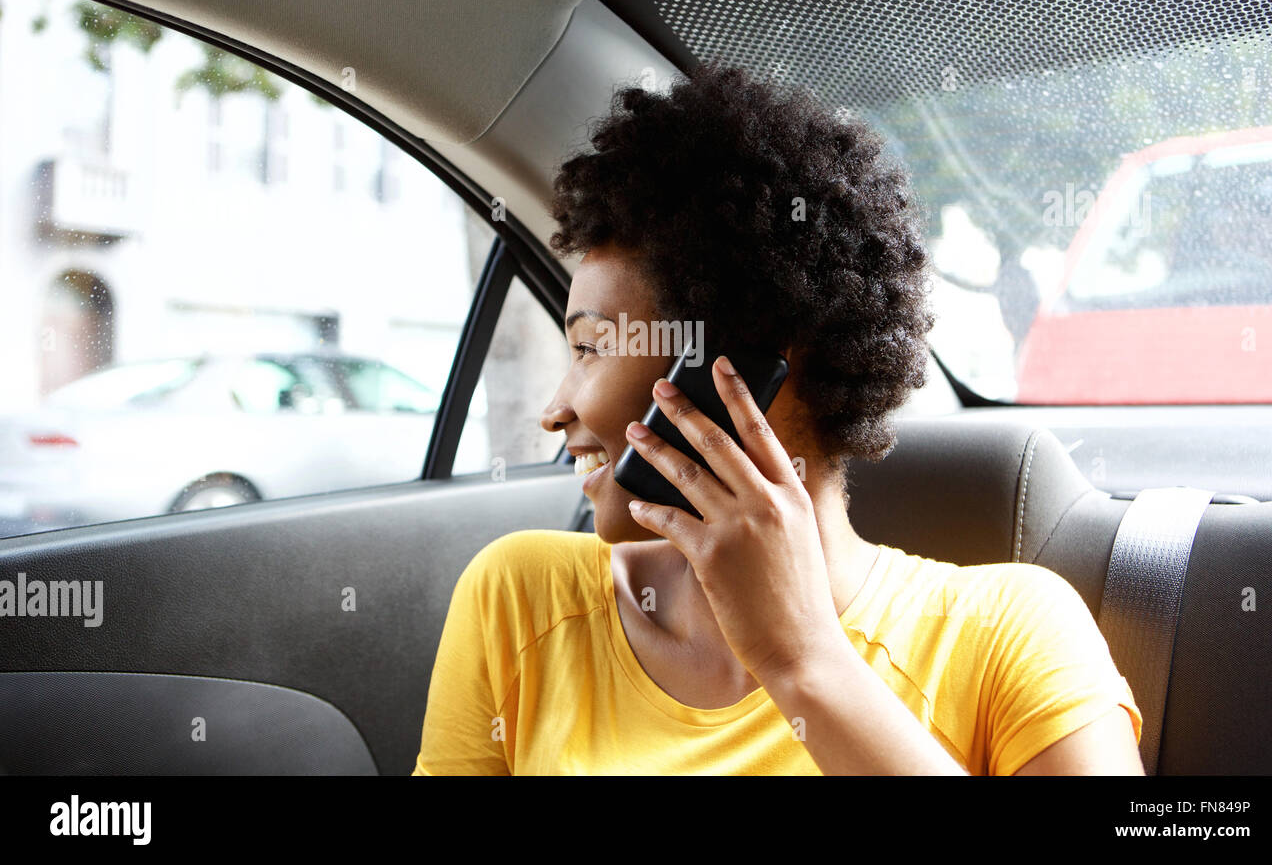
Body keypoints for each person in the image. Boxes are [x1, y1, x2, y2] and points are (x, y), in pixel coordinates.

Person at [412, 57, 1142, 775]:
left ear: (736, 363)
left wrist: (804, 664)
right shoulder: (518, 597)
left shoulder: (1009, 633)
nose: (555, 410)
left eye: (591, 347)